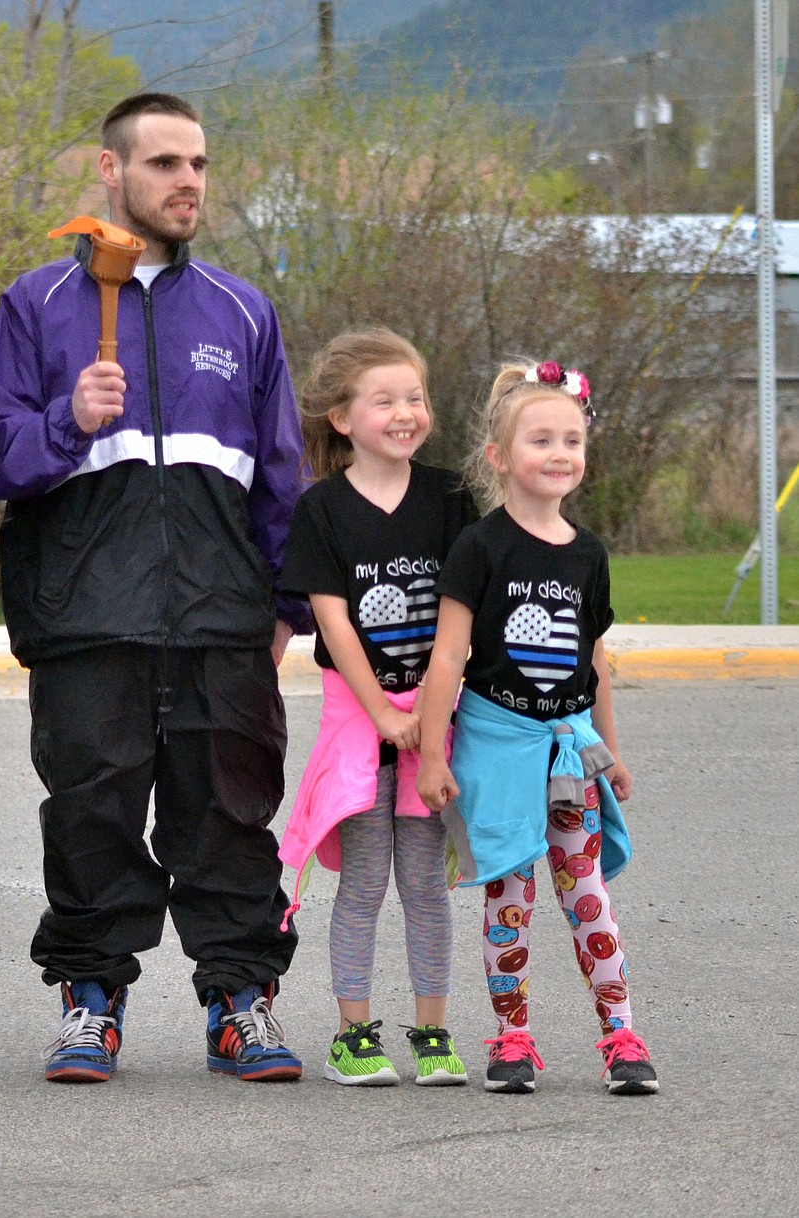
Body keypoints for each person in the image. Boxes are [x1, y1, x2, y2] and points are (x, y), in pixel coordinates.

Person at [0, 92, 305, 1083]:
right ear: (111, 174)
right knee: (91, 815)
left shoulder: (244, 311)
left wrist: (282, 608)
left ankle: (240, 1001)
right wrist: (68, 418)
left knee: (230, 819)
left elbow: (280, 476)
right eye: (164, 164)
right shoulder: (36, 305)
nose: (188, 182)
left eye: (197, 163)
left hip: (219, 622)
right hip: (85, 616)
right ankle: (91, 1001)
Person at [414, 359, 659, 1096]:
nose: (560, 455)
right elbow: (448, 656)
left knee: (587, 897)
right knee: (508, 900)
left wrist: (607, 751)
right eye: (541, 440)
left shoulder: (589, 554)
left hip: (566, 754)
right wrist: (433, 755)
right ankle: (511, 1038)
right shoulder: (480, 547)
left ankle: (620, 1035)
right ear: (499, 457)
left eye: (572, 441)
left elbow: (594, 660)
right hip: (498, 750)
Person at [276, 328, 477, 1087]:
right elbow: (334, 626)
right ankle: (352, 1034)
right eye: (384, 399)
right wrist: (386, 718)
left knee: (426, 884)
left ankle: (432, 1030)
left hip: (436, 716)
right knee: (362, 884)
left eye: (415, 398)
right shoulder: (322, 511)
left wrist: (428, 725)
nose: (405, 412)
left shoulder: (452, 497)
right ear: (342, 418)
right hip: (359, 718)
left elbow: (460, 621)